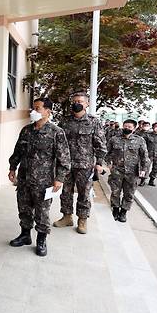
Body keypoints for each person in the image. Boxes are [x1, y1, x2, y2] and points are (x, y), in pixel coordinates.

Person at [8, 97, 71, 257]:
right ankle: (25, 235)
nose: (33, 111)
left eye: (37, 108)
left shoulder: (56, 132)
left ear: (48, 111)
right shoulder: (26, 130)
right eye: (33, 108)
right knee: (24, 208)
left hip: (44, 181)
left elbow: (64, 158)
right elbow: (18, 152)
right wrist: (12, 168)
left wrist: (59, 178)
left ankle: (41, 240)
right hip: (24, 178)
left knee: (42, 213)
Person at [53, 92, 106, 234]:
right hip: (66, 164)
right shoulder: (64, 121)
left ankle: (82, 219)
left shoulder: (94, 122)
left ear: (87, 104)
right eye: (75, 101)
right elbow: (57, 141)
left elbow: (100, 144)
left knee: (84, 193)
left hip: (85, 165)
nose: (77, 103)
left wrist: (99, 162)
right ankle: (67, 217)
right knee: (65, 192)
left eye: (80, 101)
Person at [105, 119, 149, 222]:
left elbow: (144, 157)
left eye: (129, 127)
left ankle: (124, 212)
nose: (127, 128)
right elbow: (106, 153)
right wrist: (108, 164)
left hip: (132, 172)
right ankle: (115, 209)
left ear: (134, 128)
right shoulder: (114, 139)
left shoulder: (140, 140)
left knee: (129, 193)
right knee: (115, 192)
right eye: (125, 126)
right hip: (117, 170)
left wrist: (144, 170)